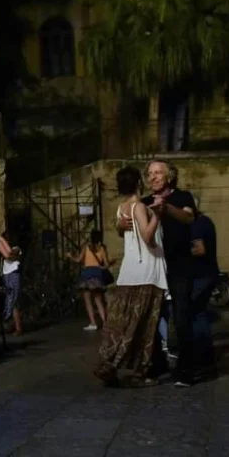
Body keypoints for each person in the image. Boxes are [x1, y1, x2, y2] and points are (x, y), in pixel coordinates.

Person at [121, 160, 198, 386]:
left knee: (181, 318)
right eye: (150, 173)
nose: (153, 177)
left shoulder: (183, 197)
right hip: (153, 268)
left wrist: (166, 209)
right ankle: (155, 364)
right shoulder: (142, 203)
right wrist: (119, 226)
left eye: (158, 173)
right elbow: (126, 227)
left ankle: (187, 370)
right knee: (150, 320)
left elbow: (188, 217)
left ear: (169, 177)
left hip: (179, 266)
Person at [96, 167, 168, 386]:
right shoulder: (139, 206)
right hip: (146, 270)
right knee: (145, 325)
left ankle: (109, 362)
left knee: (123, 321)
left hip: (129, 272)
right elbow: (148, 237)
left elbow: (123, 230)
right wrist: (157, 215)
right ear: (138, 183)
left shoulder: (122, 208)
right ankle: (138, 372)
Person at [189, 210, 219, 372]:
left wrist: (179, 253)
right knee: (199, 312)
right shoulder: (206, 221)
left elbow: (199, 249)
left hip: (200, 275)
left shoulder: (196, 224)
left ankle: (202, 354)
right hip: (209, 273)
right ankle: (206, 354)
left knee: (195, 313)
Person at [69, 230, 112, 331]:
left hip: (87, 275)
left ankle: (93, 323)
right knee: (98, 300)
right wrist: (102, 267)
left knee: (88, 300)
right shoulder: (102, 248)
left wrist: (70, 256)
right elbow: (106, 264)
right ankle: (105, 322)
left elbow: (79, 260)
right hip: (97, 275)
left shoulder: (86, 247)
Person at [0, 236, 23, 335]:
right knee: (10, 300)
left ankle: (17, 328)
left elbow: (10, 255)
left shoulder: (16, 248)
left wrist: (2, 242)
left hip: (13, 274)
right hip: (6, 275)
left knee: (13, 300)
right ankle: (15, 326)